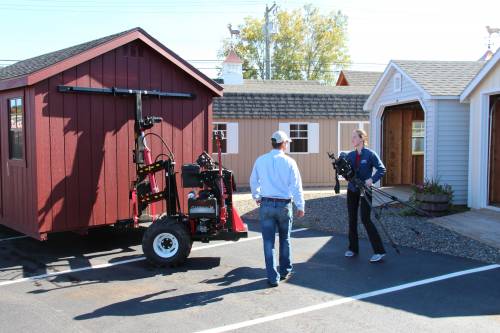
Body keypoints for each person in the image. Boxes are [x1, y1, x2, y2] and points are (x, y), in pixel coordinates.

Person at [250, 130, 305, 287]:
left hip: (266, 204)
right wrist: (300, 205)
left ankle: (272, 276)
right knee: (285, 239)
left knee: (268, 241)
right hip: (284, 205)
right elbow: (296, 186)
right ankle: (285, 270)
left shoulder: (261, 160)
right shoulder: (290, 162)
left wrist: (257, 197)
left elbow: (254, 181)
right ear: (284, 144)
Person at [345, 129, 387, 263]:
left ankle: (379, 251)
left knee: (365, 219)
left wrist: (372, 180)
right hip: (352, 190)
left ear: (362, 139)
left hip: (365, 190)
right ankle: (353, 249)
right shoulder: (350, 155)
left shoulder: (370, 154)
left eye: (354, 137)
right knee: (352, 219)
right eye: (352, 137)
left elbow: (382, 169)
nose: (352, 140)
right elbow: (346, 173)